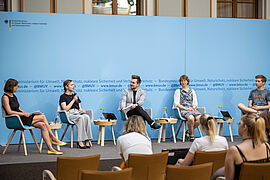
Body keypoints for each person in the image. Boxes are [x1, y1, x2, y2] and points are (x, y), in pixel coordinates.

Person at [2, 79, 65, 155]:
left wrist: (27, 113)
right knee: (42, 117)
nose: (17, 88)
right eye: (16, 86)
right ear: (11, 86)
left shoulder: (13, 96)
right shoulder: (5, 97)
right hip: (15, 119)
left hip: (21, 117)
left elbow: (18, 109)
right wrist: (23, 114)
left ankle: (50, 148)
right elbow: (9, 112)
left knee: (43, 125)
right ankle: (54, 138)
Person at [225, 113, 270, 180]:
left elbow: (229, 178)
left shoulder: (234, 150)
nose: (238, 125)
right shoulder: (267, 147)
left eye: (239, 123)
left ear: (245, 127)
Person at [59, 80, 92, 149]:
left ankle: (88, 139)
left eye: (73, 84)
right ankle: (80, 141)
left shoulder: (75, 96)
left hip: (77, 112)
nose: (73, 86)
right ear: (66, 86)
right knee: (81, 118)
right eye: (71, 85)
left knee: (86, 117)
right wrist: (73, 100)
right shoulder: (63, 96)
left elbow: (79, 107)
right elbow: (65, 109)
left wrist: (82, 110)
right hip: (69, 114)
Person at [173, 74, 202, 141]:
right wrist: (185, 108)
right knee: (191, 118)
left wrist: (192, 108)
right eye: (181, 81)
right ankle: (192, 136)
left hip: (192, 109)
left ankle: (188, 132)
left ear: (187, 82)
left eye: (184, 81)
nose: (183, 82)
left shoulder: (192, 91)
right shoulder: (178, 91)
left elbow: (195, 103)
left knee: (199, 118)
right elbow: (176, 103)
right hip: (183, 110)